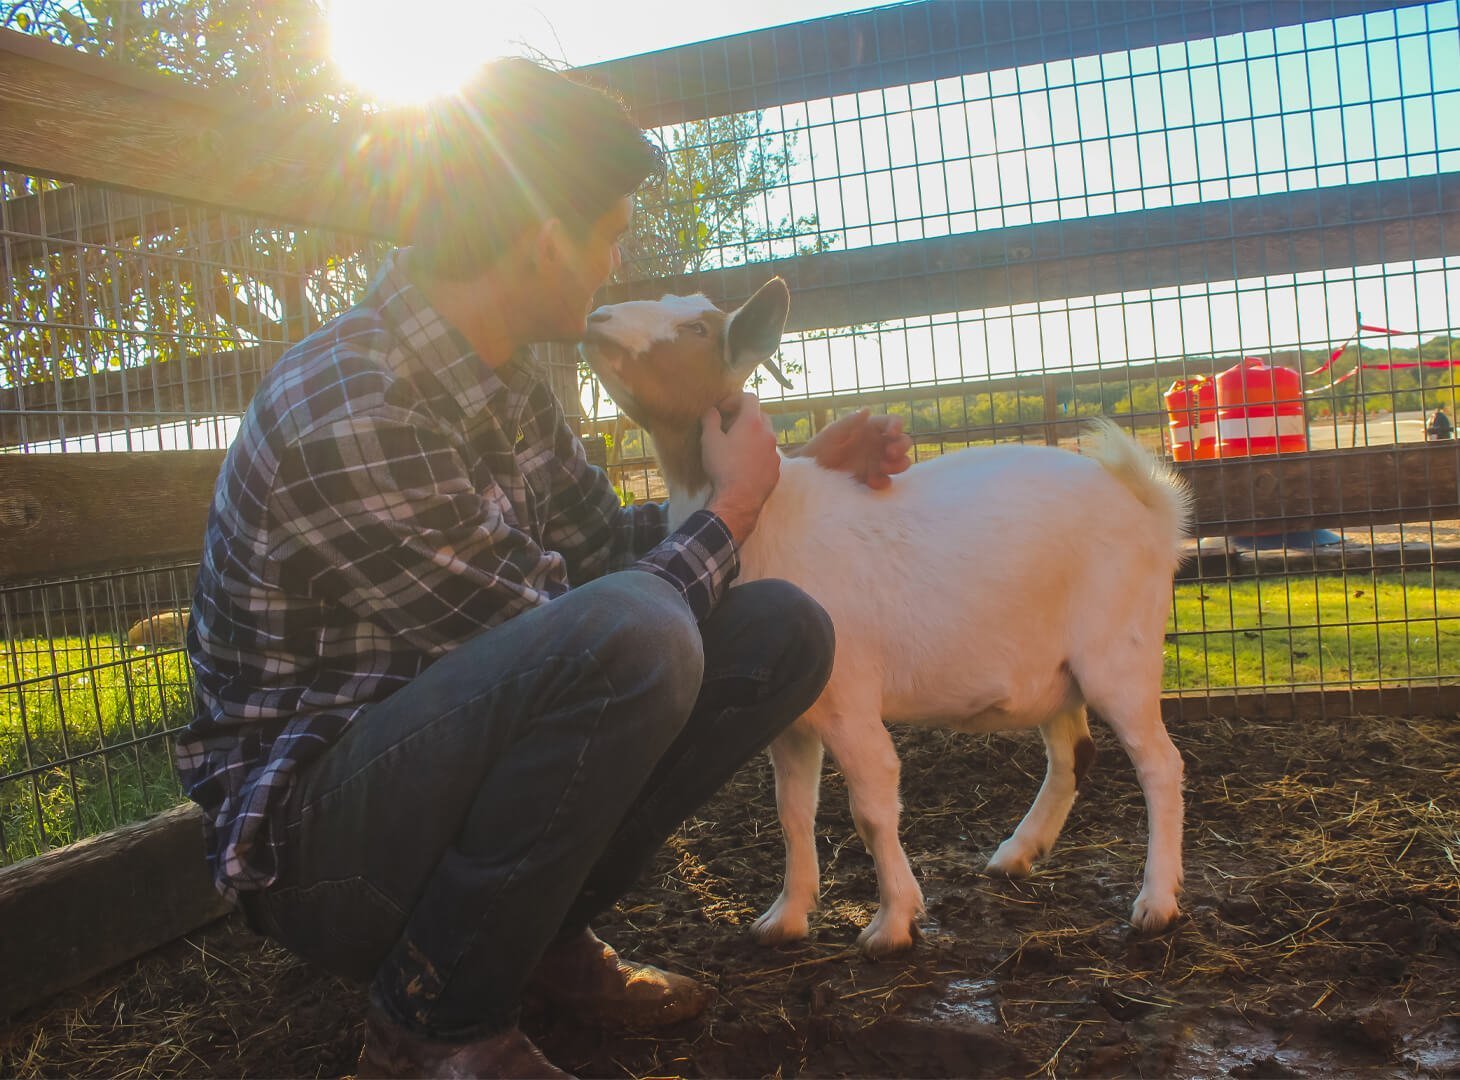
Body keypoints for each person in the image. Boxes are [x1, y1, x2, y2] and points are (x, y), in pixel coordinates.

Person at [175, 58, 911, 1079]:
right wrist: (736, 506)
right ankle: (434, 1026)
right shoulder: (357, 404)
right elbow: (575, 625)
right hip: (325, 856)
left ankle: (534, 942)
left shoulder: (505, 387)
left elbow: (615, 550)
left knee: (780, 629)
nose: (610, 269)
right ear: (544, 238)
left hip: (437, 787)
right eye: (608, 238)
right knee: (641, 636)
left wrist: (787, 478)